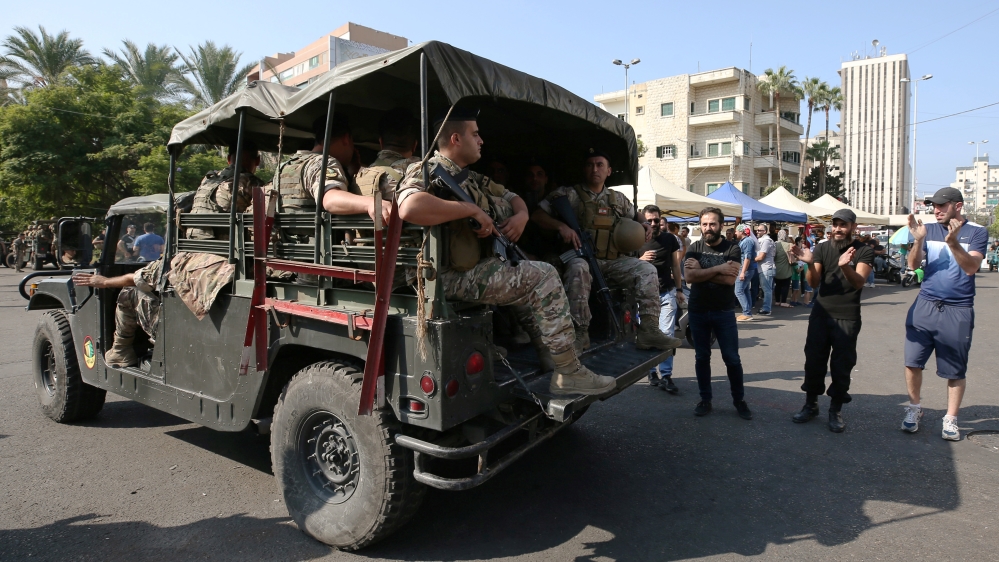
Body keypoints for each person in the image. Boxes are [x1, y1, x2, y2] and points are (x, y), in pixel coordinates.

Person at [396, 106, 613, 395]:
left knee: (526, 274)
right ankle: (568, 372)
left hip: (470, 266)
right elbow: (409, 207)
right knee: (543, 276)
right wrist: (469, 208)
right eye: (476, 134)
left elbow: (513, 197)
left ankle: (551, 356)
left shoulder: (469, 176)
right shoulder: (427, 169)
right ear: (456, 139)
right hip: (441, 275)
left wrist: (521, 217)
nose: (482, 140)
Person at [531, 148, 682, 353]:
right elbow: (537, 216)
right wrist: (561, 226)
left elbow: (635, 214)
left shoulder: (617, 199)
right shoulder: (569, 194)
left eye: (600, 164)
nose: (595, 169)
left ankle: (649, 330)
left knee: (647, 270)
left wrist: (645, 223)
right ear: (584, 169)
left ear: (609, 171)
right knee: (578, 268)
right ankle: (580, 333)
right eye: (590, 164)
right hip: (581, 258)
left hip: (612, 262)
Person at [901, 188, 987, 441]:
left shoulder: (977, 232)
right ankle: (914, 408)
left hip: (958, 308)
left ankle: (950, 418)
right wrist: (917, 241)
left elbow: (971, 267)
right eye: (933, 206)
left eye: (942, 206)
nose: (935, 210)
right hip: (925, 305)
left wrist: (953, 242)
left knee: (955, 370)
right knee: (912, 362)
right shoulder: (927, 229)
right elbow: (913, 265)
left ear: (957, 206)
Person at [789, 209, 874, 432]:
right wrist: (809, 263)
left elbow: (858, 283)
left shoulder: (863, 250)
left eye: (843, 225)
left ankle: (835, 410)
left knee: (841, 365)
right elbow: (814, 283)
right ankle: (811, 404)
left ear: (853, 227)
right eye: (835, 224)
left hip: (847, 316)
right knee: (814, 360)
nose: (837, 229)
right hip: (821, 313)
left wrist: (845, 265)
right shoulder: (823, 247)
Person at [684, 207, 751, 420]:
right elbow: (689, 278)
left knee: (731, 358)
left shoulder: (733, 248)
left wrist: (701, 271)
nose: (708, 228)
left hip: (723, 311)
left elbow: (730, 280)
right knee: (702, 357)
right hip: (698, 311)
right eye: (704, 224)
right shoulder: (694, 247)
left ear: (721, 225)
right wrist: (718, 269)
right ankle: (705, 400)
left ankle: (739, 400)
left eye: (712, 224)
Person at [639, 205, 684, 393]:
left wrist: (680, 289)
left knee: (666, 336)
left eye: (656, 220)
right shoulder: (635, 238)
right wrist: (640, 259)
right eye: (648, 220)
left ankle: (666, 375)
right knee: (649, 335)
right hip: (644, 296)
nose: (653, 224)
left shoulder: (669, 239)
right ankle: (651, 372)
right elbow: (624, 263)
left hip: (667, 293)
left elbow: (675, 265)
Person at [186, 143, 264, 241]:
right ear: (258, 161)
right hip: (226, 246)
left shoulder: (208, 179)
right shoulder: (252, 183)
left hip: (193, 240)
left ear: (228, 159)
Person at [733, 224, 758, 321]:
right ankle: (747, 312)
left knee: (738, 291)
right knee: (745, 290)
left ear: (741, 231)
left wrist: (743, 272)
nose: (735, 233)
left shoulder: (747, 241)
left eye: (736, 231)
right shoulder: (746, 241)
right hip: (746, 269)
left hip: (745, 269)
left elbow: (747, 257)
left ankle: (747, 313)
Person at [754, 224, 776, 316]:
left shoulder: (766, 240)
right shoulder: (762, 240)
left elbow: (761, 256)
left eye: (760, 230)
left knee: (767, 290)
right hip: (765, 267)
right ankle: (766, 307)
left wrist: (749, 260)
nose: (757, 231)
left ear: (765, 231)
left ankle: (767, 309)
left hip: (766, 268)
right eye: (757, 230)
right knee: (766, 289)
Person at [773, 229, 794, 308]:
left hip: (776, 268)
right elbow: (792, 257)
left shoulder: (775, 244)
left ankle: (777, 301)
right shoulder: (789, 245)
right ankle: (784, 301)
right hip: (786, 268)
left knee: (777, 285)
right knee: (785, 285)